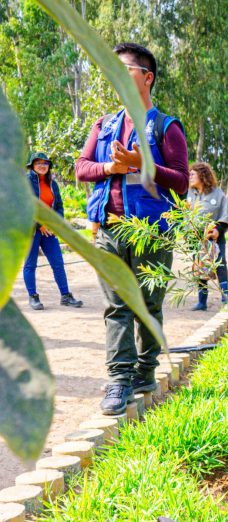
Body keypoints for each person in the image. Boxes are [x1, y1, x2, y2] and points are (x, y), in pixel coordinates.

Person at [76, 42, 189, 415]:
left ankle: (145, 369)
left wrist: (146, 164)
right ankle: (119, 380)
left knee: (148, 306)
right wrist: (110, 169)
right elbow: (81, 168)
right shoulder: (103, 125)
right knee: (116, 306)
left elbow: (183, 182)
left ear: (147, 77)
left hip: (152, 231)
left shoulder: (165, 128)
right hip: (110, 230)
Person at [23, 152, 83, 311]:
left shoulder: (53, 184)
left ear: (49, 166)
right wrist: (39, 225)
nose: (42, 166)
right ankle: (33, 297)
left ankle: (66, 296)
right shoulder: (26, 182)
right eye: (38, 163)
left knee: (58, 263)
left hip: (49, 231)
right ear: (32, 166)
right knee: (30, 265)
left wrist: (55, 224)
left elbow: (59, 206)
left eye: (45, 163)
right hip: (32, 230)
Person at [187, 162, 228, 311]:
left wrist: (218, 230)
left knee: (220, 264)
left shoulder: (217, 193)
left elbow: (225, 214)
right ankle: (202, 302)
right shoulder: (189, 194)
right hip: (196, 239)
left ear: (202, 175)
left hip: (214, 238)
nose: (190, 177)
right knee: (200, 267)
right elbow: (184, 215)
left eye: (193, 174)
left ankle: (225, 296)